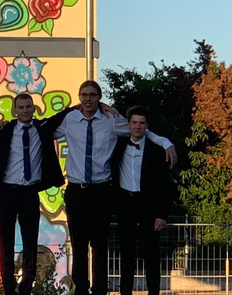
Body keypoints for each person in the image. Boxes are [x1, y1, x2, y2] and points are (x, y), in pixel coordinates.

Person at [53, 80, 176, 295]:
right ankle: (81, 289)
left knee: (100, 246)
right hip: (76, 190)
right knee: (79, 245)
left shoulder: (111, 120)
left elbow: (138, 129)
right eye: (84, 95)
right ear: (79, 97)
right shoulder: (69, 120)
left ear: (99, 97)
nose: (88, 99)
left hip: (101, 190)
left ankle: (100, 290)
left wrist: (166, 143)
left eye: (93, 95)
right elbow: (44, 130)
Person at [0, 94, 66, 295]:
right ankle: (8, 287)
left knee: (30, 242)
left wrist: (96, 106)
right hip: (7, 192)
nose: (25, 110)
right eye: (21, 107)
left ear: (34, 108)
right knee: (5, 243)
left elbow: (62, 115)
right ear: (14, 110)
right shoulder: (5, 130)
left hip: (29, 193)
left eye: (28, 107)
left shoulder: (42, 128)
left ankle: (26, 286)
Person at [111, 106, 171, 295]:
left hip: (148, 205)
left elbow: (164, 185)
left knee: (151, 253)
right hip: (125, 203)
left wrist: (161, 214)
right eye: (134, 122)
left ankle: (154, 292)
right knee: (126, 253)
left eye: (142, 123)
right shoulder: (118, 144)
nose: (138, 126)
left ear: (147, 126)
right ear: (128, 125)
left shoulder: (157, 151)